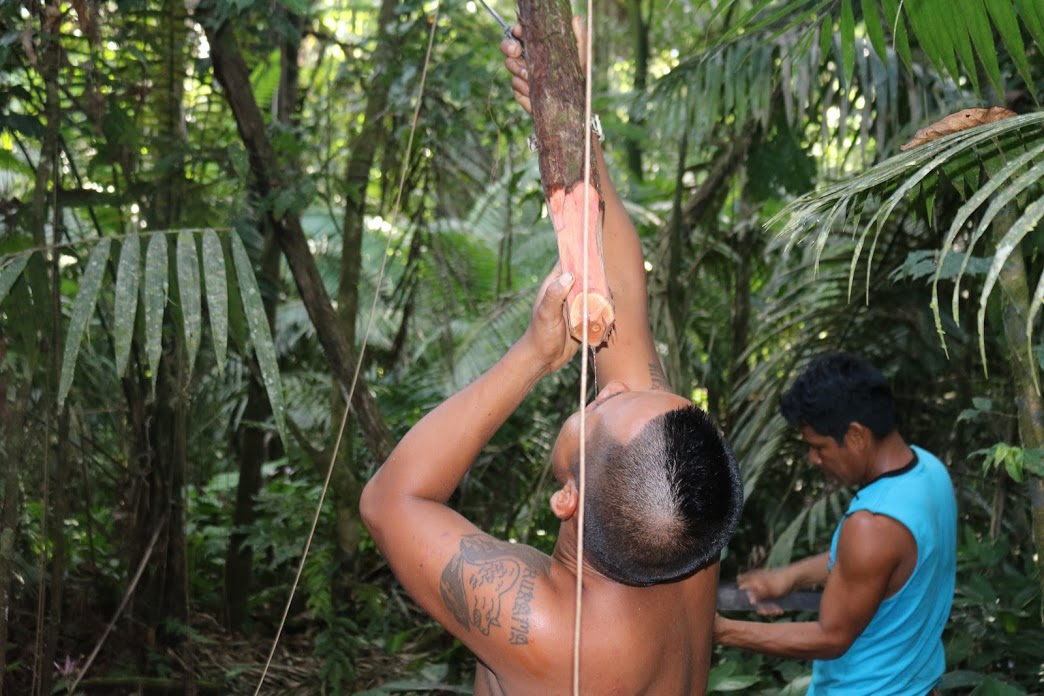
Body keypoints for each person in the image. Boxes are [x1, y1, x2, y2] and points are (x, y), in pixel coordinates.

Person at [359, 18, 743, 694]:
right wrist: (570, 113)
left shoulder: (555, 632)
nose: (617, 384)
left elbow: (391, 501)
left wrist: (533, 356)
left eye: (604, 407)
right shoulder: (678, 525)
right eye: (643, 396)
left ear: (569, 498)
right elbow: (624, 295)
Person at [714, 352, 957, 695]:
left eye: (819, 446)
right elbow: (876, 566)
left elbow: (831, 637)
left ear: (856, 435)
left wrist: (723, 630)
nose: (813, 459)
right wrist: (791, 576)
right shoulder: (929, 471)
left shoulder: (873, 524)